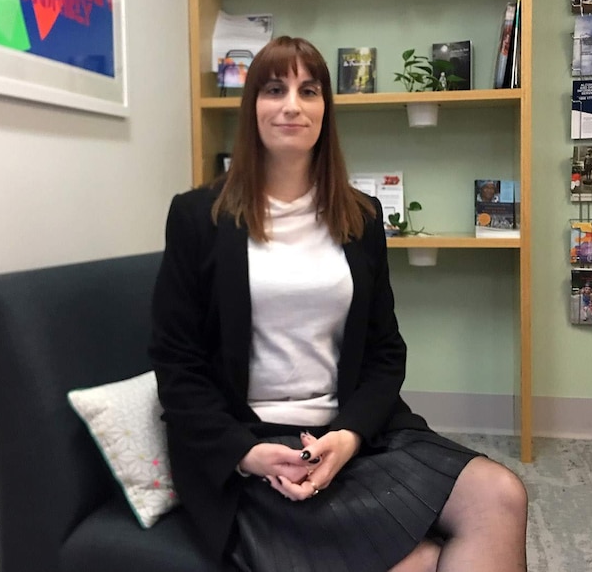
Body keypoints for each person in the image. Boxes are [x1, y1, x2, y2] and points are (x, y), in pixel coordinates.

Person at [149, 36, 528, 572]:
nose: (291, 105)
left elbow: (384, 351)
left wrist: (348, 435)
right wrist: (245, 454)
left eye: (309, 91)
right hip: (252, 445)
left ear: (326, 109)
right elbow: (176, 363)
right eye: (275, 89)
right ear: (251, 105)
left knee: (502, 495)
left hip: (348, 432)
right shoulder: (197, 218)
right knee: (418, 563)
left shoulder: (362, 217)